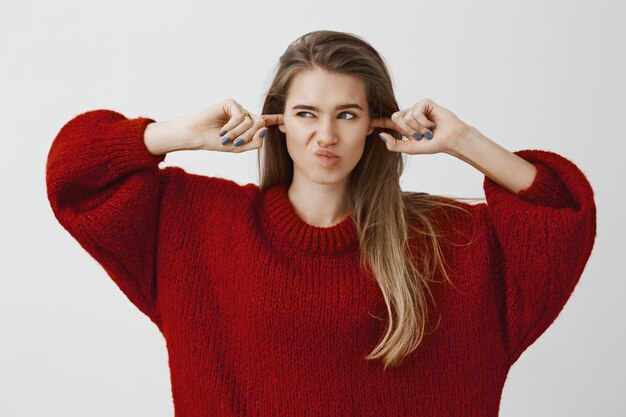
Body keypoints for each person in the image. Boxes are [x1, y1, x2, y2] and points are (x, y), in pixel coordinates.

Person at [46, 30, 596, 416]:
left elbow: (559, 217)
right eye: (306, 114)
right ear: (279, 122)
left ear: (375, 124)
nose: (325, 136)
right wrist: (178, 133)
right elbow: (75, 173)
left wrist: (463, 141)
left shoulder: (447, 244)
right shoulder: (196, 225)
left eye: (347, 115)